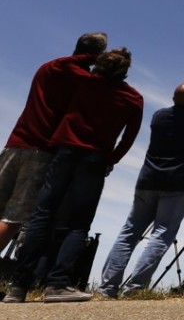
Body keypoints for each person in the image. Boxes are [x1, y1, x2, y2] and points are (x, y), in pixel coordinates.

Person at [6, 48, 143, 303]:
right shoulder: (133, 98)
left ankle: (18, 286)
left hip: (64, 153)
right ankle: (57, 284)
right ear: (124, 72)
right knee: (78, 224)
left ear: (99, 66)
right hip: (95, 160)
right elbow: (129, 136)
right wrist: (112, 159)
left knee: (42, 216)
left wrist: (94, 55)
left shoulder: (83, 79)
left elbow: (62, 63)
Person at [100, 83, 184, 298]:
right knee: (161, 235)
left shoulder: (158, 116)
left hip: (148, 180)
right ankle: (135, 290)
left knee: (129, 233)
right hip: (179, 185)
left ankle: (107, 288)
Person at [0, 32, 107, 253]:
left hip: (14, 144)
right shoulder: (81, 78)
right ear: (97, 54)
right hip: (42, 150)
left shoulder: (48, 66)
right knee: (14, 218)